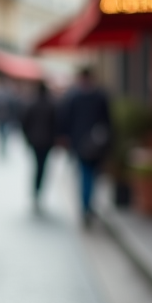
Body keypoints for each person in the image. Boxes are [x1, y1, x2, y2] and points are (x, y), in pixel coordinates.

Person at [59, 67, 113, 228]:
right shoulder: (100, 96)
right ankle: (87, 207)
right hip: (97, 143)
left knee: (85, 175)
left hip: (80, 143)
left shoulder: (73, 97)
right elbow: (108, 121)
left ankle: (85, 207)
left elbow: (65, 120)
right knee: (92, 176)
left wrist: (65, 139)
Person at [21, 81, 58, 213]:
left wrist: (27, 138)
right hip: (47, 142)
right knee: (43, 167)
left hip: (35, 141)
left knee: (37, 166)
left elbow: (25, 123)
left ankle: (36, 191)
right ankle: (39, 191)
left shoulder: (32, 104)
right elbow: (56, 124)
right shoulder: (51, 105)